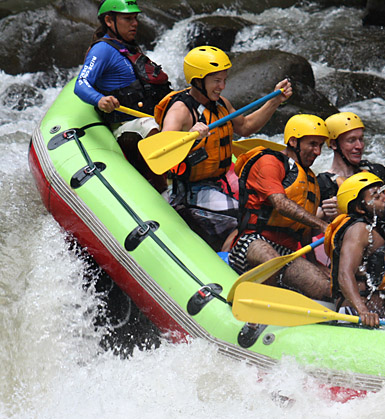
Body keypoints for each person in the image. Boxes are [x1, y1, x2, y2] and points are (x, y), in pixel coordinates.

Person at [155, 45, 292, 251]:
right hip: (189, 191)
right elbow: (163, 149)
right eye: (217, 81)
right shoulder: (180, 110)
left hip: (219, 184)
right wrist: (191, 137)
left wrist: (275, 101)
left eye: (224, 80)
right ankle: (227, 260)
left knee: (263, 210)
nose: (222, 86)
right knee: (246, 220)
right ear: (198, 80)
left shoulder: (221, 104)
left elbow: (246, 127)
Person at [228, 114, 331, 301]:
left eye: (321, 146)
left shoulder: (310, 180)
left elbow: (305, 233)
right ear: (293, 141)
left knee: (324, 287)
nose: (318, 152)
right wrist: (323, 225)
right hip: (252, 241)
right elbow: (280, 203)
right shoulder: (268, 161)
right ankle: (259, 315)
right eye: (313, 144)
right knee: (271, 261)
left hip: (287, 252)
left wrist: (315, 264)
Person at [74, 0, 172, 193]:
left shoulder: (128, 47)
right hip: (126, 126)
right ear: (109, 21)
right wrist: (100, 100)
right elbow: (81, 84)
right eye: (128, 18)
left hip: (146, 117)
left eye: (135, 18)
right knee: (149, 127)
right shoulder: (102, 49)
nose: (134, 23)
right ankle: (164, 188)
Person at [324, 172, 385, 326]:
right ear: (360, 208)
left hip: (380, 311)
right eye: (376, 197)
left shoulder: (377, 226)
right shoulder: (358, 230)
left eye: (383, 193)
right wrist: (363, 311)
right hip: (355, 313)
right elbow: (345, 273)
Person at [317, 112, 385, 222]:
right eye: (351, 140)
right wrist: (323, 215)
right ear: (334, 144)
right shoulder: (324, 184)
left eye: (361, 139)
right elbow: (310, 229)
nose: (359, 146)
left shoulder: (377, 171)